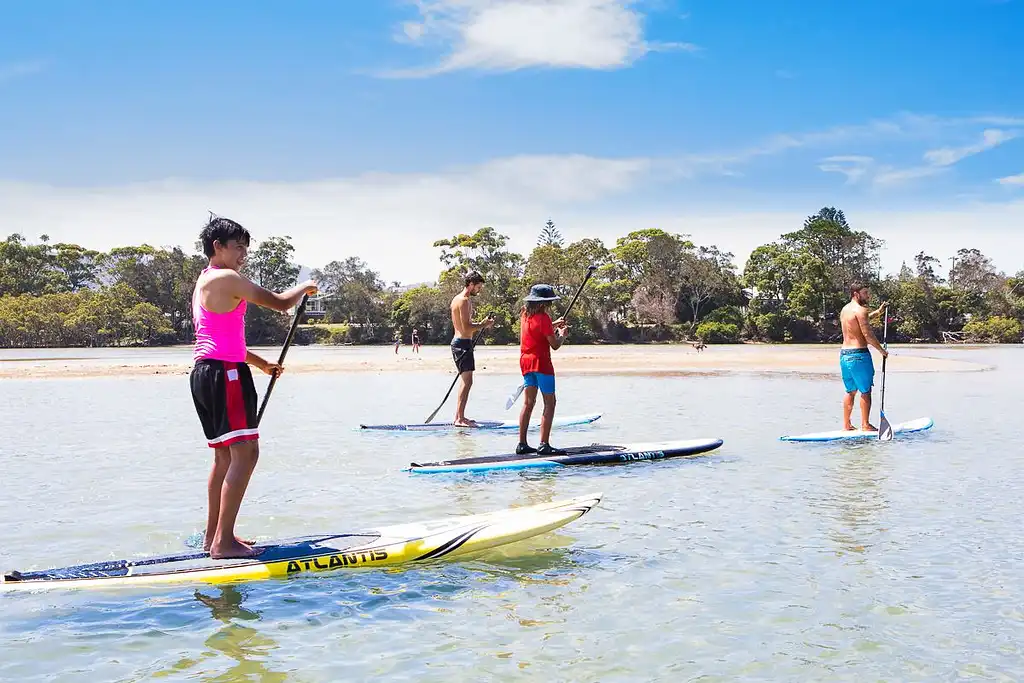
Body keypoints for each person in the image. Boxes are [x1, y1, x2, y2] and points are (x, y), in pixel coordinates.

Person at [190, 215, 317, 559]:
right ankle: (223, 542)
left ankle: (214, 537)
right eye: (238, 247)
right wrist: (304, 288)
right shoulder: (227, 277)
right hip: (226, 375)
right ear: (218, 247)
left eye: (246, 247)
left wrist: (261, 364)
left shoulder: (204, 280)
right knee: (246, 453)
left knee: (224, 456)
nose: (243, 254)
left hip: (208, 373)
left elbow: (222, 339)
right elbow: (278, 302)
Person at [516, 284, 569, 455]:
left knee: (528, 403)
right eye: (548, 303)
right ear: (541, 304)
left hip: (525, 363)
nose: (549, 306)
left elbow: (537, 328)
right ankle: (544, 444)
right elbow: (554, 345)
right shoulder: (544, 318)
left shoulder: (524, 314)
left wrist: (554, 324)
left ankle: (522, 444)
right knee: (550, 403)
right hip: (541, 363)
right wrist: (562, 335)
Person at [839, 282, 888, 432]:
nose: (868, 296)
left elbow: (859, 321)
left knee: (850, 391)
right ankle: (865, 425)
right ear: (856, 294)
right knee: (865, 391)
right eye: (865, 293)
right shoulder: (861, 310)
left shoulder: (845, 309)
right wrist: (882, 351)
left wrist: (879, 312)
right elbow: (868, 335)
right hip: (859, 355)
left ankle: (847, 425)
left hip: (844, 356)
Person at [449, 271, 495, 427]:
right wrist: (484, 324)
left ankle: (459, 416)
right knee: (467, 382)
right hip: (462, 344)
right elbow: (466, 327)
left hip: (462, 343)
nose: (479, 290)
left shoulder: (457, 299)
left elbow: (466, 326)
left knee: (466, 381)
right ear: (470, 284)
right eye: (478, 287)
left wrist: (482, 324)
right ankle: (460, 419)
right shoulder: (463, 301)